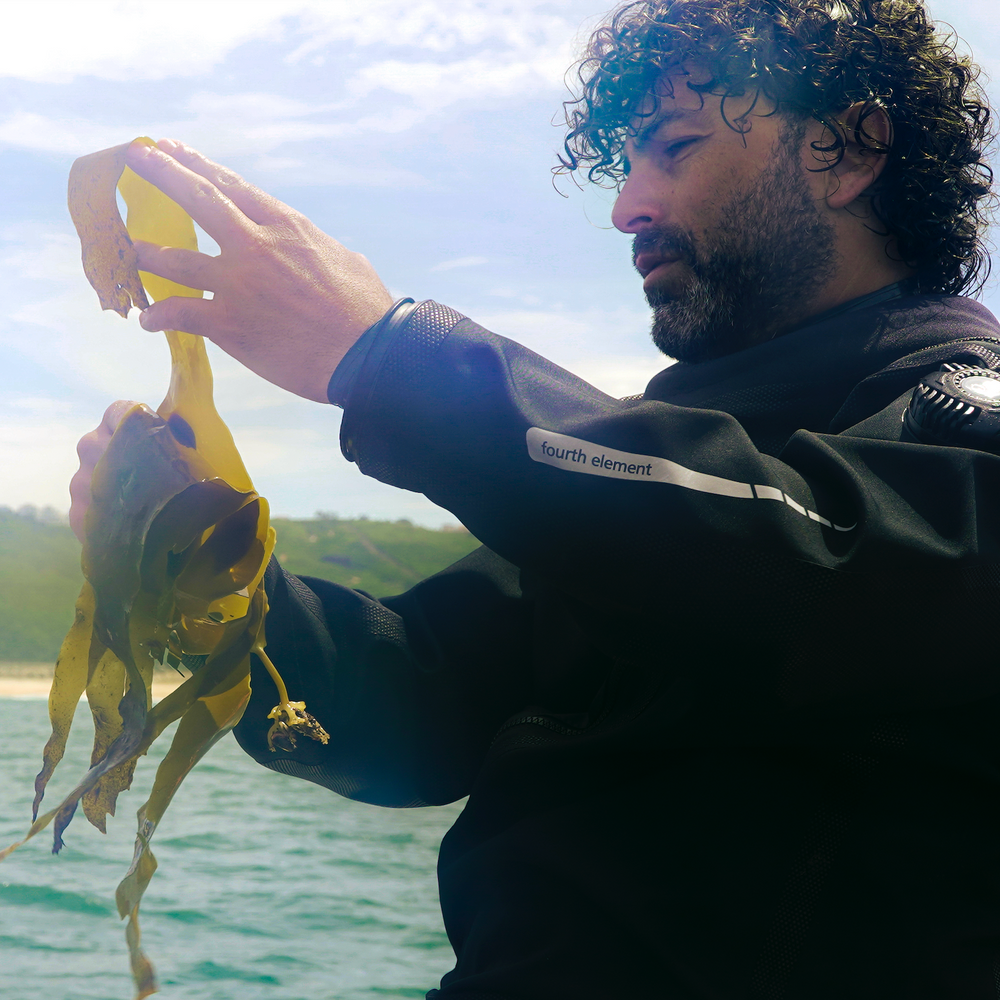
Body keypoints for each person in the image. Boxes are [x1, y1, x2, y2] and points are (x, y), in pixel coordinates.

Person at [70, 1, 1000, 996]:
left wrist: (387, 356)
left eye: (674, 147)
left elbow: (799, 564)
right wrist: (202, 568)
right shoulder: (631, 492)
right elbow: (415, 703)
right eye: (626, 166)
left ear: (850, 148)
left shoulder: (957, 434)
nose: (627, 207)